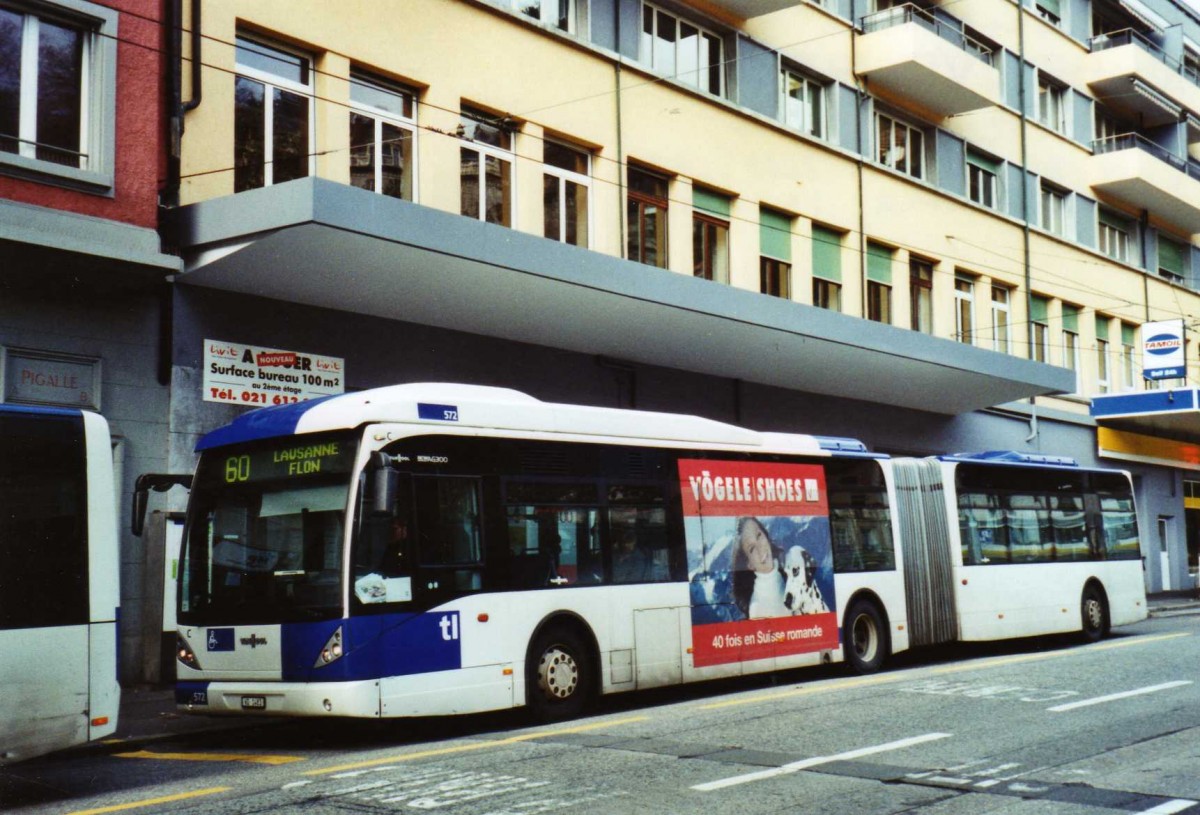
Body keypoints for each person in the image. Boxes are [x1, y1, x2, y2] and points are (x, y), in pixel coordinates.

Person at [731, 516, 788, 619]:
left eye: (758, 535)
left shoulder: (789, 572)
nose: (760, 548)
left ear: (766, 536)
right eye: (752, 548)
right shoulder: (758, 609)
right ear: (749, 564)